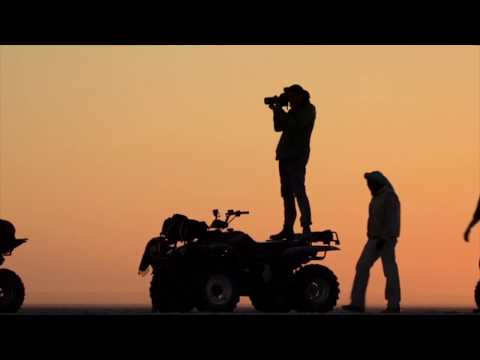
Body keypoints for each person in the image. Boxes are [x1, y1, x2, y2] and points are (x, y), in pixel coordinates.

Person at [343, 171, 402, 313]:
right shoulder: (376, 198)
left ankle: (393, 305)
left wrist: (385, 238)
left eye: (370, 184)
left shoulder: (389, 197)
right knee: (362, 267)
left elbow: (392, 220)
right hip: (373, 239)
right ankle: (357, 303)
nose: (369, 187)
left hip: (385, 240)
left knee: (389, 272)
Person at [268, 84, 316, 241]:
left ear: (300, 96)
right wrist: (276, 111)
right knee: (286, 193)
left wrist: (280, 111)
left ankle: (306, 227)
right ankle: (287, 228)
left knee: (299, 191)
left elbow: (295, 125)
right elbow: (278, 127)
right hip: (285, 155)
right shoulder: (293, 111)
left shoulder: (308, 110)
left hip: (297, 155)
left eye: (291, 96)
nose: (289, 99)